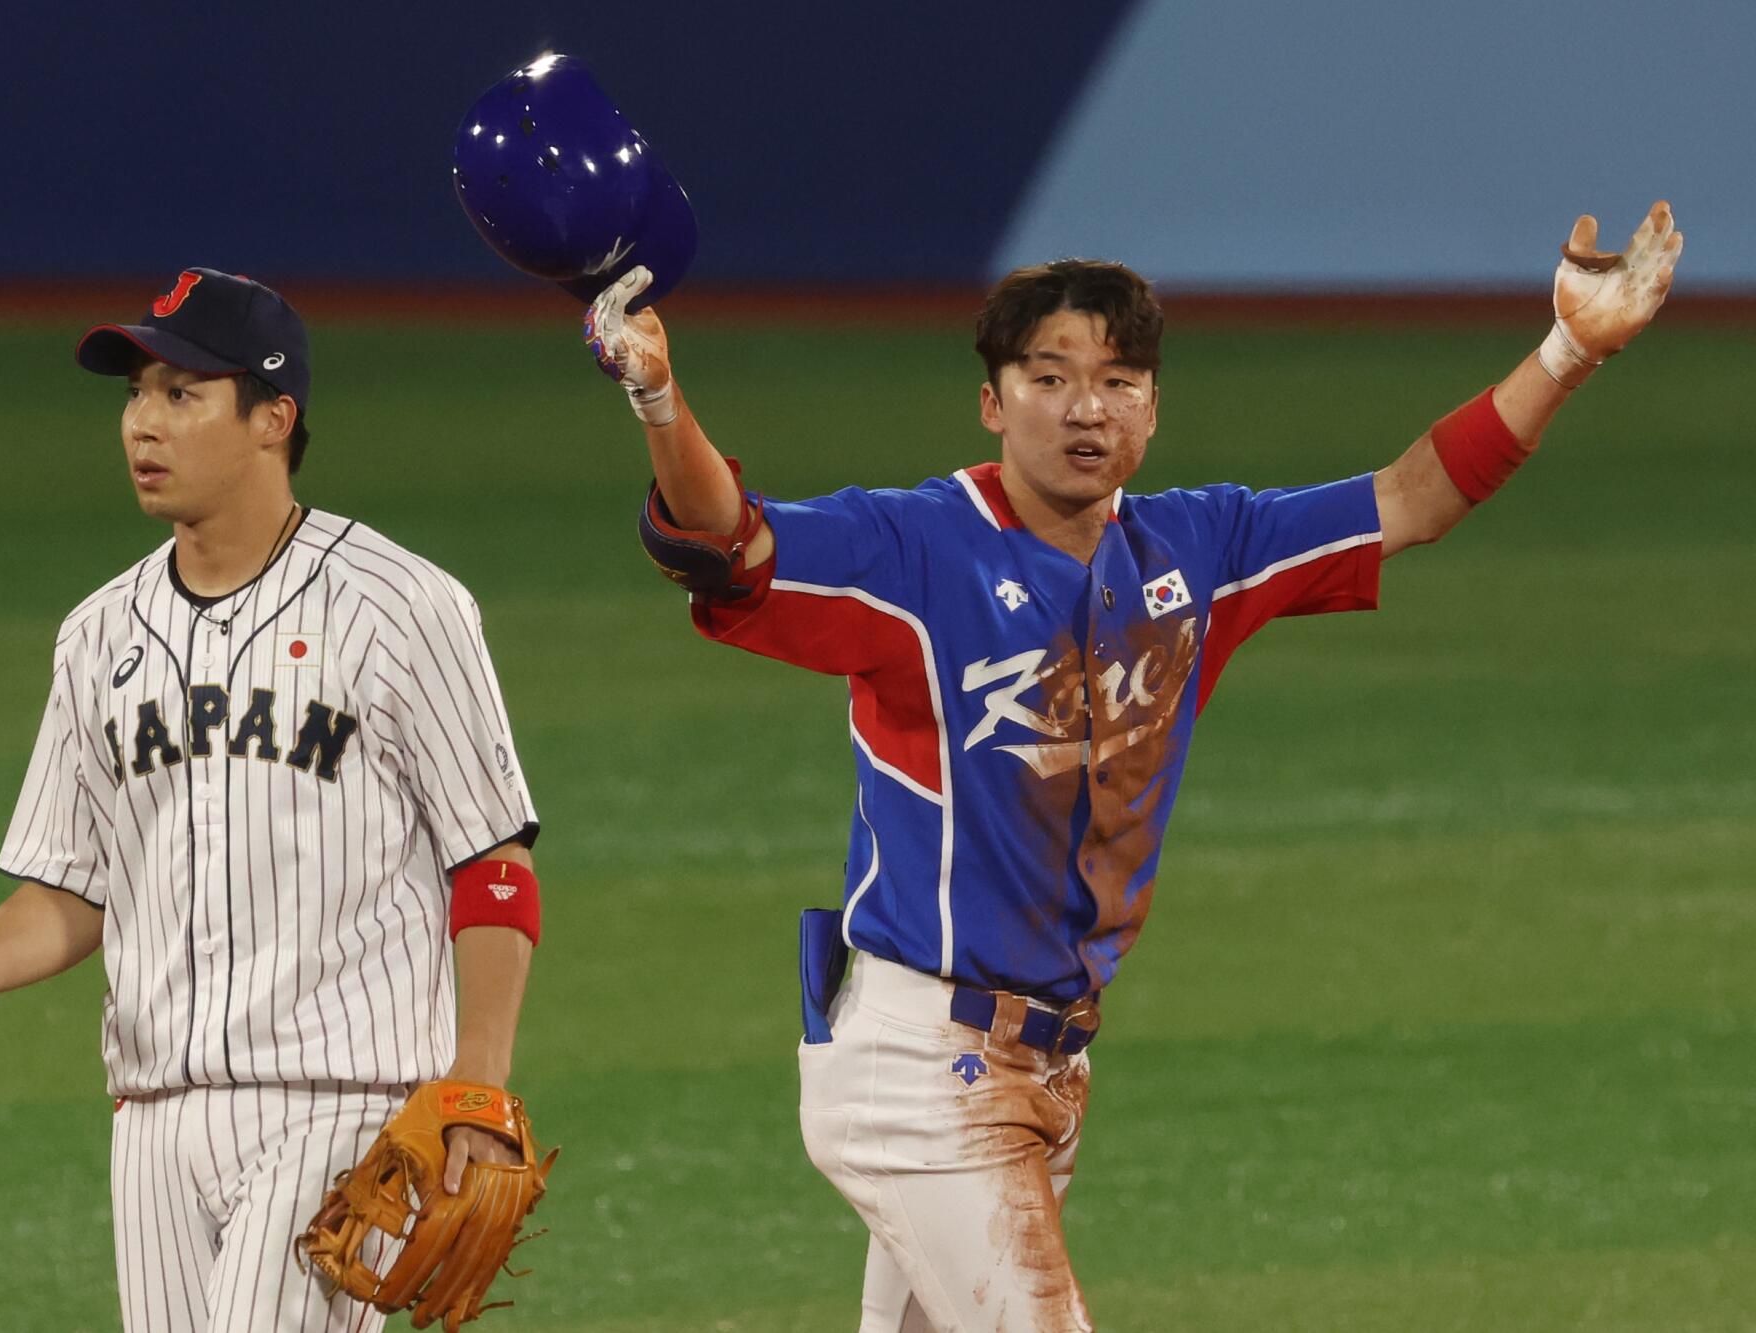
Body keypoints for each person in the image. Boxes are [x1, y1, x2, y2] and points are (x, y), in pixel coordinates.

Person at [583, 204, 1682, 1330]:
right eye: (1048, 376)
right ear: (991, 401)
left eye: (1114, 380)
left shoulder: (1195, 551)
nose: (1083, 408)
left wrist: (1567, 352)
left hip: (1046, 1071)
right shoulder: (913, 549)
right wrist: (658, 400)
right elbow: (729, 546)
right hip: (923, 1069)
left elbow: (1408, 497)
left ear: (1153, 407)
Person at [0, 268, 546, 1332]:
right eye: (137, 392)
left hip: (343, 1109)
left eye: (183, 393)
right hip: (154, 1128)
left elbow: (492, 861)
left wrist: (477, 1087)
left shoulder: (402, 607)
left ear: (274, 418)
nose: (143, 422)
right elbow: (74, 890)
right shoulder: (97, 636)